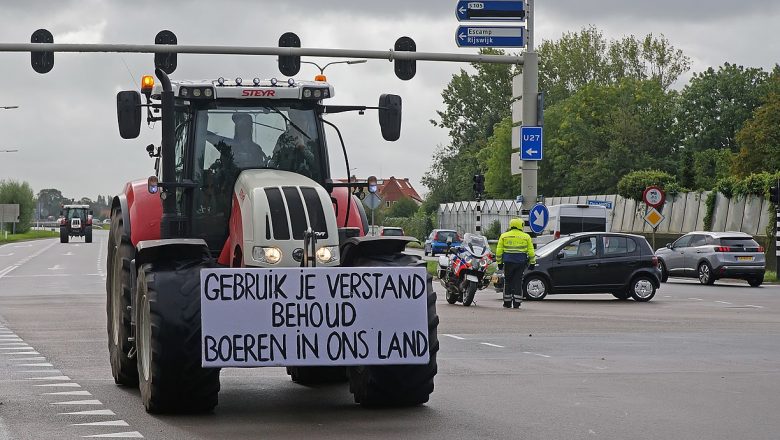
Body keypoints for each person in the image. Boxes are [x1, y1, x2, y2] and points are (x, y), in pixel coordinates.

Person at [496, 218, 536, 309]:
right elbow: (531, 251)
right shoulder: (526, 237)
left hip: (508, 262)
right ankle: (517, 303)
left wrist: (499, 263)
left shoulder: (504, 236)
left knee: (508, 281)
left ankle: (507, 302)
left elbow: (499, 251)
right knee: (517, 281)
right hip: (520, 262)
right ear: (521, 225)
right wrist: (532, 263)